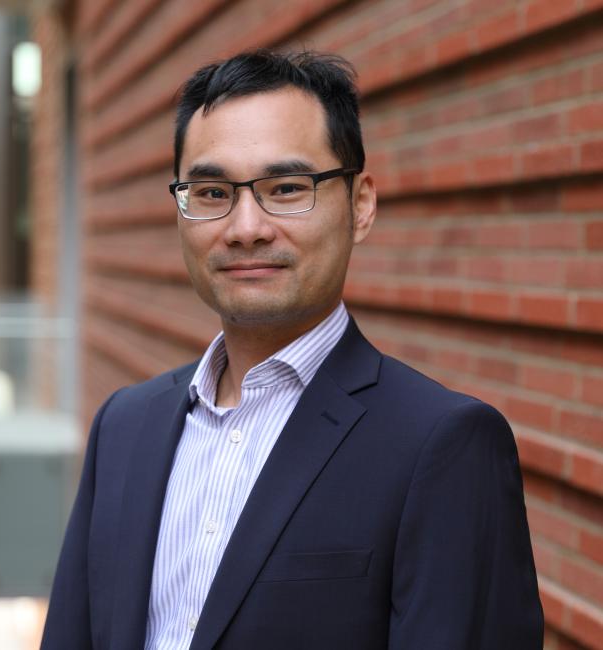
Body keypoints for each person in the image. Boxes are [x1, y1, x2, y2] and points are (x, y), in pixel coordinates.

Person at [41, 50, 543, 650]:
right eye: (210, 191)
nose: (245, 226)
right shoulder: (123, 427)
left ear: (360, 205)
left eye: (285, 188)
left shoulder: (444, 446)